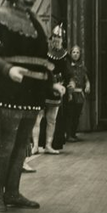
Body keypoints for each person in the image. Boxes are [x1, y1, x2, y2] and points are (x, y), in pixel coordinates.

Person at [0, 0, 64, 212]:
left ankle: (13, 192)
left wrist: (51, 84)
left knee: (21, 147)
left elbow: (41, 59)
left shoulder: (35, 20)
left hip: (32, 94)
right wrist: (7, 70)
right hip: (10, 91)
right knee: (5, 145)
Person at [33, 23, 73, 155]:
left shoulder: (65, 55)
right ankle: (35, 146)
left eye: (59, 37)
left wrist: (70, 83)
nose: (56, 39)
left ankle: (48, 145)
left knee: (51, 118)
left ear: (63, 39)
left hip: (56, 89)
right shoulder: (45, 52)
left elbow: (69, 73)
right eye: (54, 36)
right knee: (37, 117)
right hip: (42, 86)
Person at [65, 45, 90, 141]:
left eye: (77, 52)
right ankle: (68, 135)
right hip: (71, 93)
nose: (75, 54)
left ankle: (73, 133)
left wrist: (88, 85)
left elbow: (86, 79)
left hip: (79, 94)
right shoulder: (68, 66)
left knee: (77, 114)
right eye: (74, 52)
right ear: (71, 54)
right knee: (70, 114)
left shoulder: (82, 67)